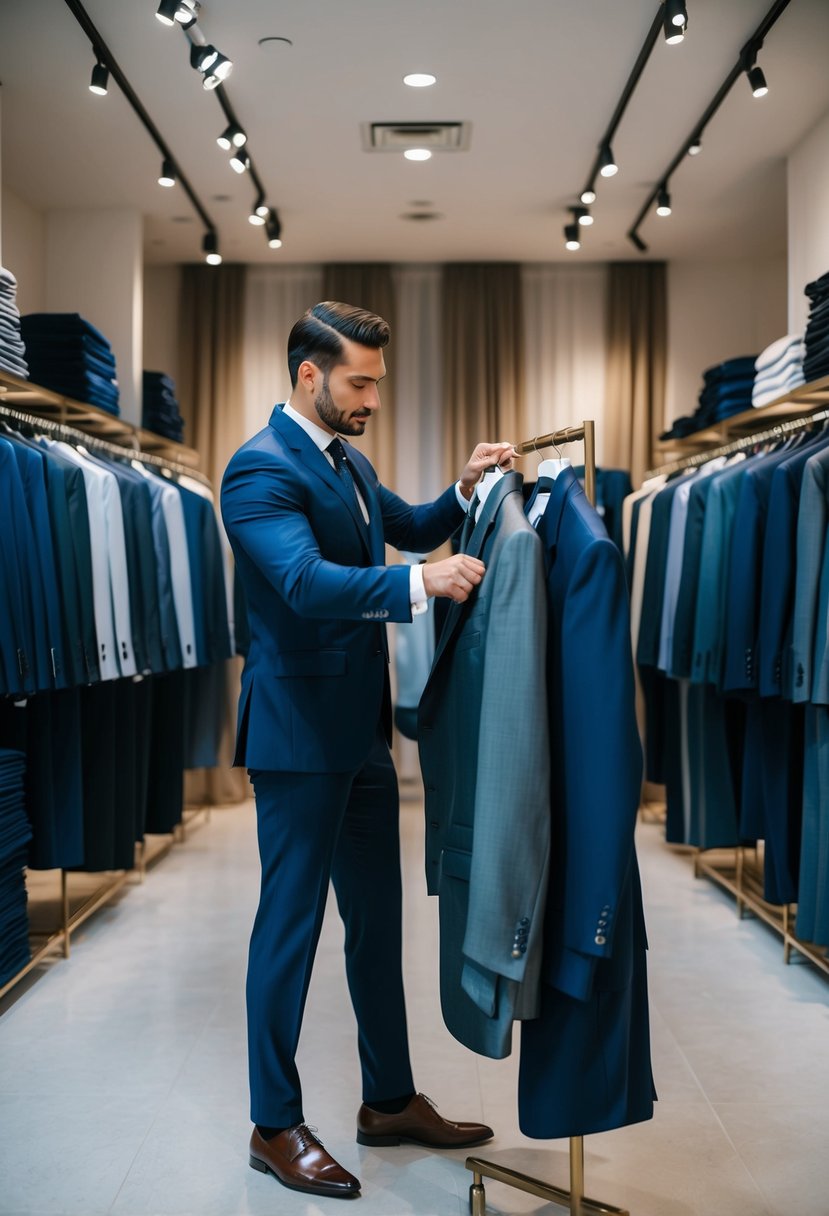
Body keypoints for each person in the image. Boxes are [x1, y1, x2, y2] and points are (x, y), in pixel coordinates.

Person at [220, 301, 516, 1199]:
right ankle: (273, 1125)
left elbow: (414, 524)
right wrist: (417, 582)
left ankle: (387, 1100)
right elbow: (307, 585)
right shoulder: (257, 471)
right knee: (290, 932)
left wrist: (463, 493)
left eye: (378, 383)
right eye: (358, 381)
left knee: (378, 927)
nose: (372, 398)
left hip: (360, 733)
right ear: (308, 376)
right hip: (297, 741)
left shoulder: (347, 458)